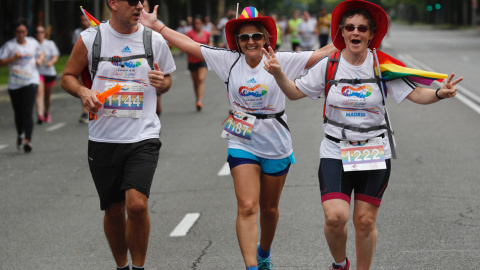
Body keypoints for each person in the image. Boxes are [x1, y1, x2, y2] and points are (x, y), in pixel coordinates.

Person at [262, 0, 463, 269]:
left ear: (371, 34)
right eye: (350, 28)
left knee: (365, 221)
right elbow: (295, 93)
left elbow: (416, 93)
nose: (355, 33)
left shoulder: (382, 66)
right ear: (342, 32)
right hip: (336, 150)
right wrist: (277, 74)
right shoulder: (328, 64)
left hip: (374, 150)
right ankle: (340, 263)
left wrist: (440, 93)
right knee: (335, 217)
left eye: (362, 29)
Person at [140, 5, 336, 270]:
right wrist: (157, 26)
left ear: (266, 38)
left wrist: (353, 39)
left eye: (256, 36)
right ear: (237, 41)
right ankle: (251, 266)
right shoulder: (228, 60)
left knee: (268, 209)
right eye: (244, 37)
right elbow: (190, 45)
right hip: (242, 140)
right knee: (246, 205)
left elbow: (323, 53)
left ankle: (263, 253)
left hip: (276, 141)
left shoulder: (284, 60)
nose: (250, 41)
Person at [61, 0, 175, 269]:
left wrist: (163, 83)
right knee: (113, 210)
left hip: (143, 135)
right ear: (113, 3)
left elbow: (168, 79)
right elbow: (67, 76)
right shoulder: (91, 39)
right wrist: (83, 92)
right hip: (104, 138)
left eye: (140, 1)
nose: (138, 6)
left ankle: (139, 267)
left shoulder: (154, 40)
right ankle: (121, 265)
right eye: (132, 1)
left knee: (136, 205)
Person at [0, 19, 43, 152]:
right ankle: (20, 134)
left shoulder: (32, 42)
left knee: (27, 110)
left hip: (31, 80)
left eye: (23, 31)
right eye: (18, 32)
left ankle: (28, 140)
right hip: (15, 84)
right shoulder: (9, 46)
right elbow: (1, 62)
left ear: (26, 32)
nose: (21, 34)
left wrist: (39, 60)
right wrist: (13, 58)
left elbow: (41, 52)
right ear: (15, 33)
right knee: (18, 112)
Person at [186, 15, 212, 111]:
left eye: (199, 23)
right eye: (195, 23)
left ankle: (200, 100)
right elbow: (186, 45)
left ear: (202, 24)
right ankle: (197, 98)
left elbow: (209, 43)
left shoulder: (207, 33)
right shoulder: (189, 33)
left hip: (203, 59)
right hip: (192, 60)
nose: (197, 25)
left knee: (201, 79)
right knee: (195, 82)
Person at [35, 25, 59, 124]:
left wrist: (51, 62)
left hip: (49, 73)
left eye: (41, 32)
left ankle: (46, 112)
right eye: (37, 32)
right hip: (38, 72)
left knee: (47, 96)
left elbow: (55, 56)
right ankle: (40, 115)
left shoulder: (50, 43)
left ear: (44, 33)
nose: (39, 34)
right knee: (39, 93)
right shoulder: (33, 44)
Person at [72, 14, 92, 124]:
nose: (83, 21)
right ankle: (85, 111)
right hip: (82, 61)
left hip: (92, 62)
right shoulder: (77, 32)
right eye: (81, 20)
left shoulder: (95, 30)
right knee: (83, 85)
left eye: (85, 19)